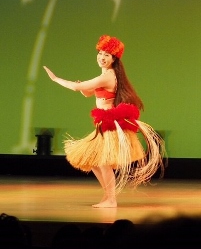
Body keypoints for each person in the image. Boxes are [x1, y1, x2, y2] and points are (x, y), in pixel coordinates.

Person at [43, 35, 165, 208]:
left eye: (106, 55)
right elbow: (87, 92)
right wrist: (85, 87)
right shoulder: (105, 75)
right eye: (100, 53)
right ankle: (108, 197)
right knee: (93, 160)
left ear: (114, 59)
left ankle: (111, 199)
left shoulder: (108, 76)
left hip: (110, 126)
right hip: (102, 125)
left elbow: (78, 88)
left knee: (102, 162)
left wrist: (56, 79)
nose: (102, 57)